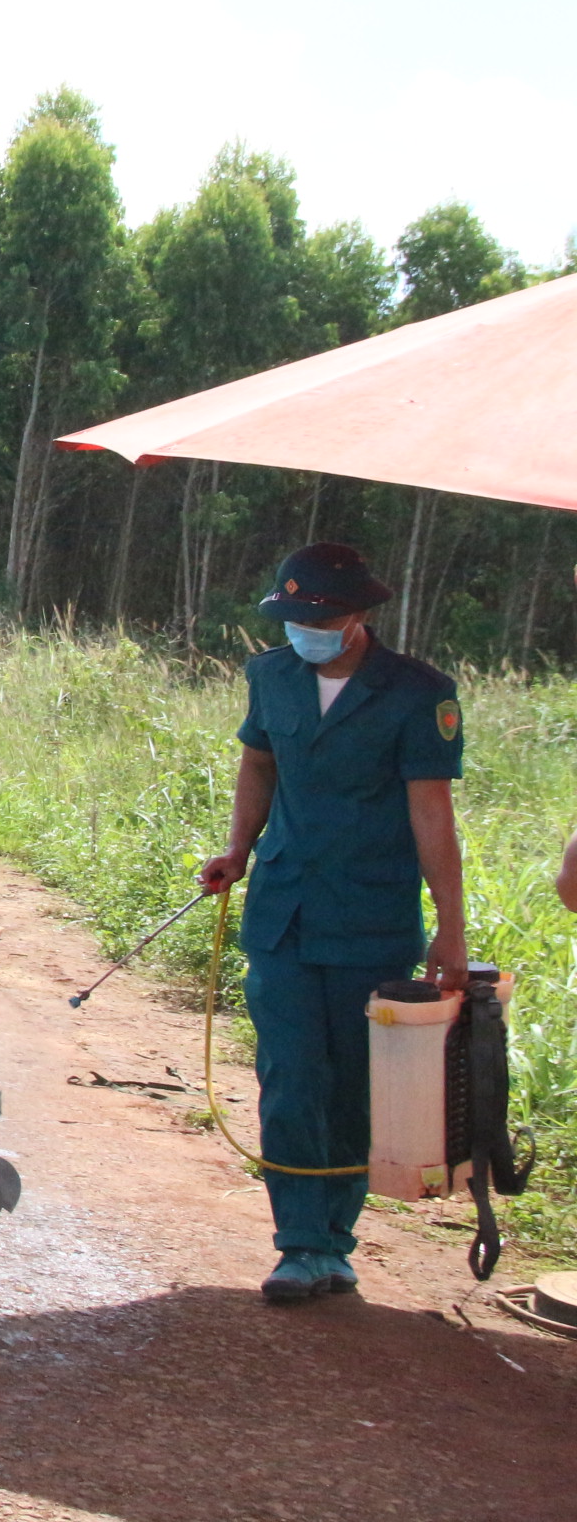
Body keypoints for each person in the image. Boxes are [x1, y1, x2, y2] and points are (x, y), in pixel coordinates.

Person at [197, 542, 468, 1305]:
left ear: (357, 617)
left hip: (370, 915)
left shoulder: (418, 694)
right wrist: (239, 848)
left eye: (318, 618)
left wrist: (451, 928)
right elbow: (259, 762)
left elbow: (431, 813)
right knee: (288, 1075)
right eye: (292, 618)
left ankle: (335, 1243)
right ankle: (298, 1243)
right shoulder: (269, 676)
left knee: (352, 1086)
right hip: (282, 910)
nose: (303, 632)